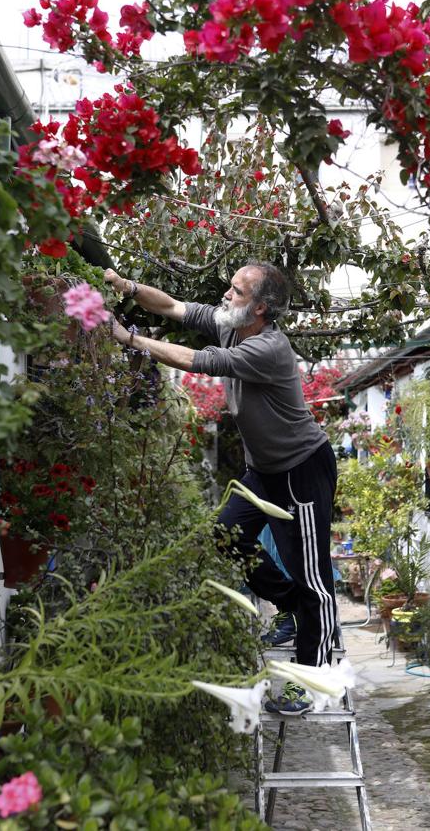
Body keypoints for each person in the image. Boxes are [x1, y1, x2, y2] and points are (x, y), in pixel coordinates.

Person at [104, 261, 338, 715]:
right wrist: (127, 286)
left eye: (237, 290)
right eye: (230, 286)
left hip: (302, 470)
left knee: (314, 579)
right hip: (263, 472)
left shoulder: (270, 347)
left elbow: (195, 360)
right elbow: (172, 306)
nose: (227, 295)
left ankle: (310, 681)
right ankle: (289, 605)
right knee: (224, 534)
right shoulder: (233, 324)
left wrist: (127, 338)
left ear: (262, 308)